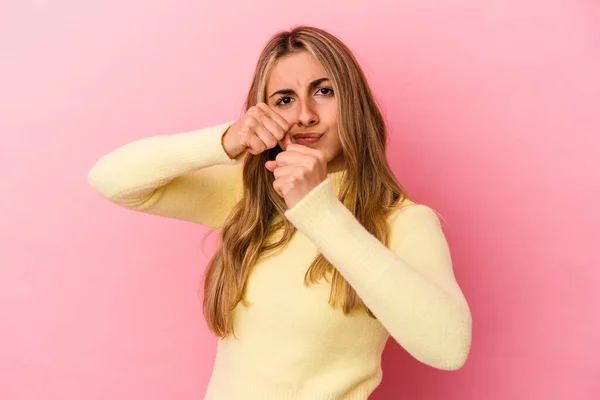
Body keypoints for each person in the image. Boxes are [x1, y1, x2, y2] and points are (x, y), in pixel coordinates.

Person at [88, 25, 472, 400]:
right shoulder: (250, 197)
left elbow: (448, 347)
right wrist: (226, 140)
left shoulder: (403, 222)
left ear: (354, 103)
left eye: (324, 92)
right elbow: (110, 179)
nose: (304, 115)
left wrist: (318, 210)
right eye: (284, 100)